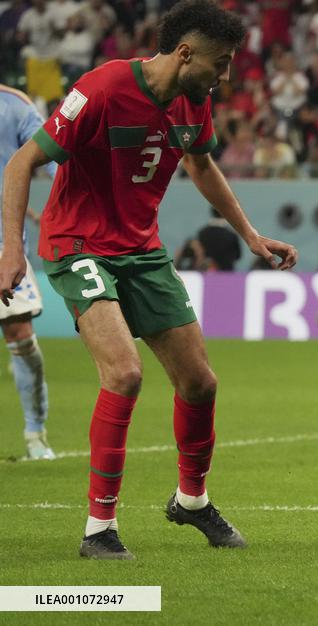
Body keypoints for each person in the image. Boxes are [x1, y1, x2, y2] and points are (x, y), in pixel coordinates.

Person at [0, 0, 298, 560]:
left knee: (201, 382)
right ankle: (98, 530)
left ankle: (191, 500)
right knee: (125, 372)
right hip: (77, 244)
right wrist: (12, 249)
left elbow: (202, 165)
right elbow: (21, 164)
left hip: (141, 250)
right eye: (222, 62)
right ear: (186, 53)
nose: (227, 75)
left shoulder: (194, 98)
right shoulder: (104, 88)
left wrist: (251, 235)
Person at [0, 82, 56, 460]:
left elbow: (55, 158)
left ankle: (36, 434)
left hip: (3, 245)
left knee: (21, 337)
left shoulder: (14, 106)